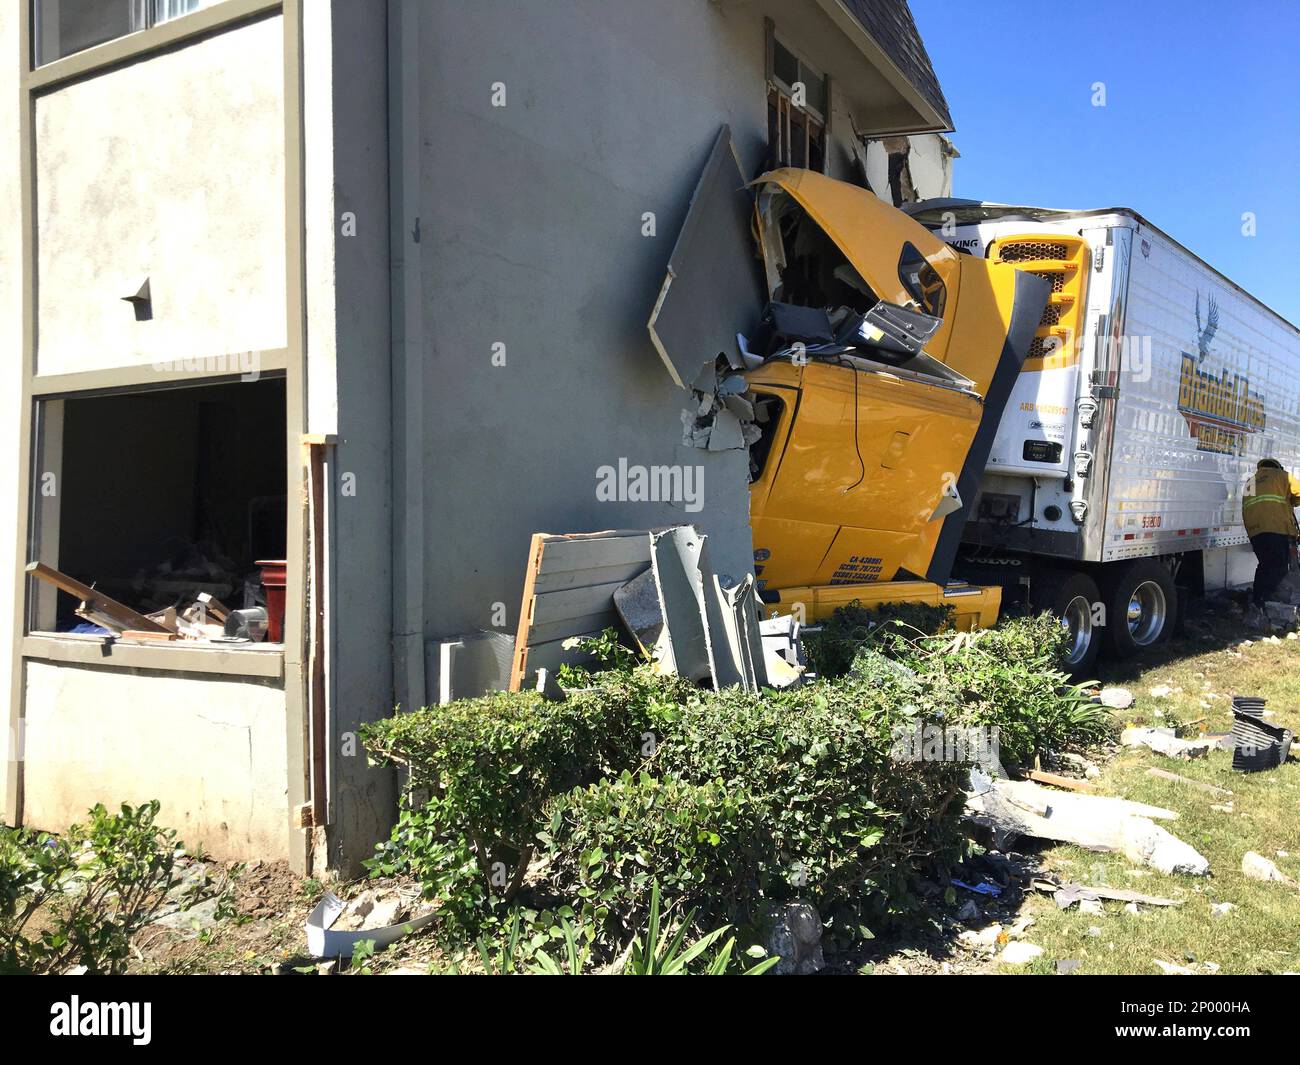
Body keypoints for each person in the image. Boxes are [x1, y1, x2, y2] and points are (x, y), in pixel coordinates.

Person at [1241, 457, 1300, 628]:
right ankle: (1270, 603)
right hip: (1276, 529)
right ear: (1277, 467)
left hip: (1255, 532)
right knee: (1279, 567)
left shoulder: (1250, 482)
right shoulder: (1281, 476)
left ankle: (1258, 600)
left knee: (1265, 565)